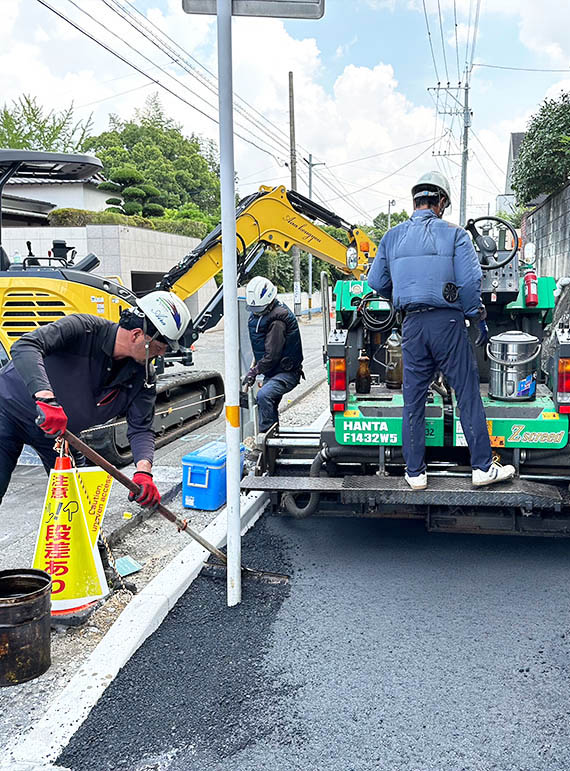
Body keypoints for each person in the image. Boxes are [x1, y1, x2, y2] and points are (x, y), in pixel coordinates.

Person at [367, 170, 514, 490]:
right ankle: (481, 468)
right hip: (448, 323)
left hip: (412, 326)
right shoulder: (456, 234)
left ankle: (416, 473)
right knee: (467, 393)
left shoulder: (392, 237)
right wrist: (476, 316)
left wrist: (404, 294)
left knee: (413, 399)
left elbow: (376, 282)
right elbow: (470, 281)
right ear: (442, 202)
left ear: (416, 200)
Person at [0, 290, 191, 508]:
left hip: (60, 435)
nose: (161, 355)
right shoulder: (83, 329)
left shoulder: (142, 376)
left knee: (77, 505)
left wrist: (144, 472)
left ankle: (89, 542)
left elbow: (141, 428)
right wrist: (45, 398)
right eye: (159, 347)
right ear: (137, 334)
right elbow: (25, 346)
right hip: (8, 411)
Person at [243, 276, 304, 436]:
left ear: (269, 302)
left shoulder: (278, 322)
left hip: (286, 373)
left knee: (264, 396)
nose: (257, 313)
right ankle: (273, 439)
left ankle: (266, 439)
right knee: (267, 403)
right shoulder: (263, 315)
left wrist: (254, 372)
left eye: (260, 309)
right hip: (274, 371)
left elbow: (272, 356)